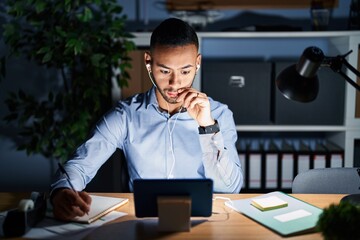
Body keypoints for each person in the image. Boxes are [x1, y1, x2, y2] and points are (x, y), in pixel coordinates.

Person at [50, 18, 243, 221]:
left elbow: (231, 188)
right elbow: (80, 165)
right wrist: (61, 192)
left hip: (203, 222)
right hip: (143, 222)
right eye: (165, 71)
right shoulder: (126, 115)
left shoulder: (219, 115)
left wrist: (207, 127)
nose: (175, 83)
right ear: (148, 63)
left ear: (197, 63)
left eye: (185, 71)